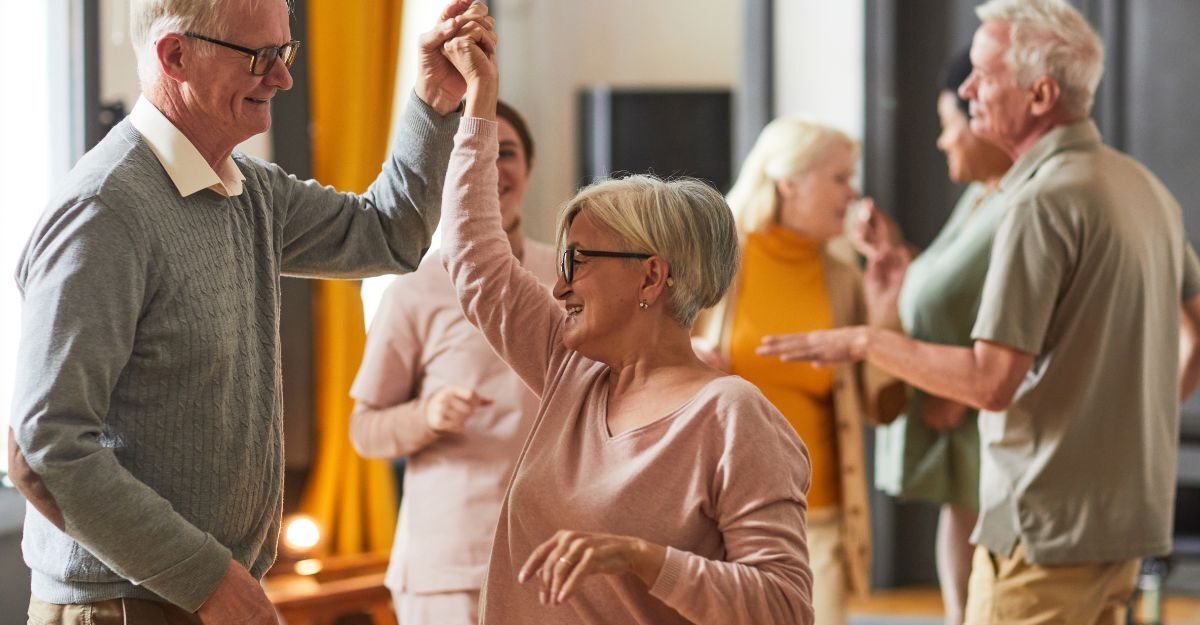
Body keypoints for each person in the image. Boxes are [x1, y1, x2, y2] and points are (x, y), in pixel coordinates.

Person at [7, 1, 493, 623]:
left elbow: (390, 234)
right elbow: (46, 448)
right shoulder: (105, 213)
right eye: (260, 57)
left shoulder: (250, 191)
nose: (283, 78)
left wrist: (433, 100)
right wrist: (210, 580)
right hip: (122, 608)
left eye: (285, 53)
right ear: (175, 55)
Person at [757, 1, 1200, 624]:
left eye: (984, 75)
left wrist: (862, 341)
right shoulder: (1143, 187)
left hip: (1042, 535)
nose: (966, 90)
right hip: (1127, 526)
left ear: (1041, 94)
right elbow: (1196, 334)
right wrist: (1139, 423)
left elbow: (990, 384)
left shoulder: (1037, 204)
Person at [434, 24, 814, 625]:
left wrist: (643, 558)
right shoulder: (571, 368)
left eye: (577, 261)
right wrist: (478, 102)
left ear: (651, 277)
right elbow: (475, 257)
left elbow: (784, 608)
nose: (559, 286)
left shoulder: (732, 415)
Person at [348, 101, 557, 625]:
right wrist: (428, 415)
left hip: (560, 560)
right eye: (475, 153)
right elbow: (365, 429)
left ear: (528, 168)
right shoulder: (415, 286)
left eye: (505, 153)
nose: (490, 167)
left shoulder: (568, 273)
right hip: (451, 567)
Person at [692, 117, 903, 625]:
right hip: (718, 514)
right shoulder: (712, 262)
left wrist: (886, 310)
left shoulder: (845, 279)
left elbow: (885, 407)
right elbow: (645, 361)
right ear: (789, 182)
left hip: (817, 518)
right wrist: (691, 354)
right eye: (839, 178)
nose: (853, 193)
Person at [852, 48, 1012, 625]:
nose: (944, 142)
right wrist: (898, 257)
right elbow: (947, 284)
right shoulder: (980, 196)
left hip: (982, 406)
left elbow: (1018, 310)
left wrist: (960, 384)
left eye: (949, 126)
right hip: (957, 408)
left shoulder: (1020, 204)